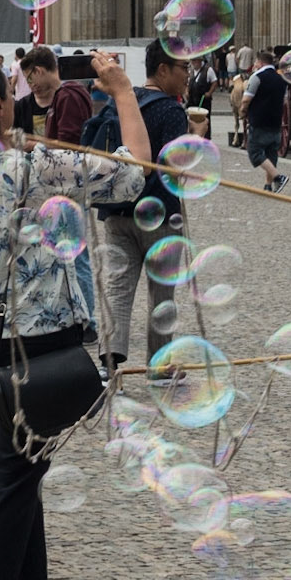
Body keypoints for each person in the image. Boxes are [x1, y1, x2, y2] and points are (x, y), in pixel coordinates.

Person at [0, 54, 146, 580]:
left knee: (15, 469)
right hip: (33, 337)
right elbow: (132, 176)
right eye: (10, 93)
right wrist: (124, 93)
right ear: (0, 109)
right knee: (15, 472)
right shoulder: (35, 167)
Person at [96, 41, 210, 370]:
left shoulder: (123, 100)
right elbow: (176, 169)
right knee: (162, 296)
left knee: (118, 289)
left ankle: (108, 366)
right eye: (183, 68)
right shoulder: (171, 109)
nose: (188, 75)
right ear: (162, 70)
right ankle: (160, 368)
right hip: (159, 216)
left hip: (118, 212)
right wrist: (197, 137)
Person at [15, 45, 101, 338]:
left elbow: (68, 145)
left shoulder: (67, 96)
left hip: (69, 188)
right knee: (68, 257)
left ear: (39, 70)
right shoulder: (66, 96)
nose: (31, 84)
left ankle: (88, 322)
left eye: (30, 77)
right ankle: (76, 316)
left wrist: (34, 145)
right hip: (62, 188)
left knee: (78, 258)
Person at [243, 49, 289, 192]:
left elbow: (246, 99)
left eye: (256, 62)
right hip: (276, 122)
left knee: (255, 152)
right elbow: (284, 100)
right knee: (271, 153)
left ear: (261, 62)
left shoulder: (257, 77)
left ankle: (278, 177)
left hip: (259, 121)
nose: (255, 65)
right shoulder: (282, 79)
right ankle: (268, 185)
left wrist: (242, 111)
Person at [186, 55, 217, 140]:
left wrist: (209, 93)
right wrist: (186, 91)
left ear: (199, 61)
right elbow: (187, 83)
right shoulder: (191, 71)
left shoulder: (208, 70)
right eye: (192, 61)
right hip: (192, 99)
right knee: (192, 118)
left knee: (205, 119)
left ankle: (206, 137)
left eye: (195, 61)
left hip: (203, 99)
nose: (193, 63)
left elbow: (214, 82)